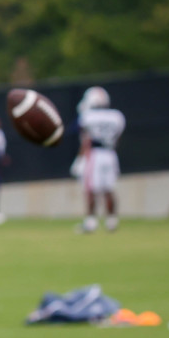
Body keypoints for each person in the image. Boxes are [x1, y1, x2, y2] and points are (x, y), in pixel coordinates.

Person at [73, 86, 125, 233]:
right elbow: (117, 138)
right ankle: (112, 222)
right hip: (110, 154)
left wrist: (79, 159)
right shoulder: (116, 116)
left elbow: (86, 140)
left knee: (90, 189)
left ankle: (90, 223)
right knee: (109, 189)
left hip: (94, 155)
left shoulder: (87, 116)